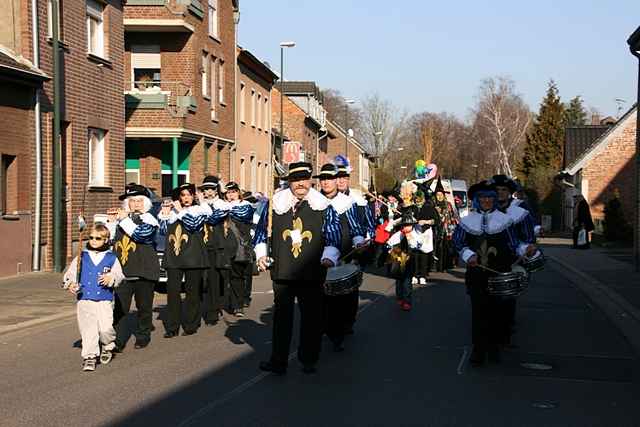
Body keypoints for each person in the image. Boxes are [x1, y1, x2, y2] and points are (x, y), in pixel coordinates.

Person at [255, 162, 342, 375]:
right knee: (281, 318)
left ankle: (309, 359)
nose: (300, 183)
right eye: (295, 180)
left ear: (310, 180)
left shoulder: (323, 205)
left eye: (304, 179)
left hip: (312, 271)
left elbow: (334, 234)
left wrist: (330, 256)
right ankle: (278, 361)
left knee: (312, 318)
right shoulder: (275, 204)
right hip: (283, 270)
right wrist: (261, 253)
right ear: (289, 182)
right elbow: (260, 232)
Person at [452, 181, 534, 366]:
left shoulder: (505, 221)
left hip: (499, 273)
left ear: (494, 199)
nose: (486, 200)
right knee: (478, 312)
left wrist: (525, 249)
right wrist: (468, 254)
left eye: (490, 197)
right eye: (483, 197)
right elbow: (457, 242)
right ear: (477, 200)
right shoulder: (467, 221)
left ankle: (494, 348)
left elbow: (514, 243)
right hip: (477, 274)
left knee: (497, 313)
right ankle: (478, 350)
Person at [316, 163, 367, 352]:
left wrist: (359, 241)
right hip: (318, 256)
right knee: (320, 297)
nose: (326, 182)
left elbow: (355, 228)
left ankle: (339, 331)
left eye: (330, 178)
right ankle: (322, 327)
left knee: (341, 298)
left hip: (344, 256)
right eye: (323, 179)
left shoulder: (347, 203)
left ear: (336, 181)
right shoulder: (314, 202)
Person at [62, 224, 124, 371]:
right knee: (88, 329)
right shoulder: (82, 256)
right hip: (85, 298)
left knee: (105, 329)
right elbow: (70, 274)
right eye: (91, 238)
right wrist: (70, 283)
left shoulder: (111, 258)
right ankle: (90, 357)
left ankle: (108, 346)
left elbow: (119, 274)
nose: (94, 241)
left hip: (104, 299)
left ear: (106, 240)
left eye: (98, 238)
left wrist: (111, 278)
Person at [108, 183, 161, 351]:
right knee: (119, 309)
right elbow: (108, 242)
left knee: (144, 307)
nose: (136, 204)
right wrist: (110, 224)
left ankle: (143, 335)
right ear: (127, 203)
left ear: (145, 202)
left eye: (139, 201)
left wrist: (123, 220)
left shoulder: (150, 219)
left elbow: (141, 235)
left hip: (144, 271)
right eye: (132, 201)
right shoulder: (121, 220)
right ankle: (117, 340)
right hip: (122, 271)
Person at [158, 183, 212, 338]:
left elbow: (193, 225)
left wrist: (180, 211)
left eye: (189, 194)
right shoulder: (173, 211)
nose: (186, 198)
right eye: (183, 195)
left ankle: (191, 324)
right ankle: (172, 327)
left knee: (192, 292)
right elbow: (163, 232)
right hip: (174, 258)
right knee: (172, 293)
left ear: (194, 196)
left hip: (193, 257)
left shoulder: (200, 210)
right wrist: (165, 214)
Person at [492, 174, 537, 346]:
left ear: (510, 192)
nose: (500, 193)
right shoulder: (486, 210)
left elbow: (528, 237)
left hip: (512, 261)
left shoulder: (520, 213)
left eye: (504, 190)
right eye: (497, 190)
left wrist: (527, 248)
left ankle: (505, 333)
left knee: (507, 299)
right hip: (489, 261)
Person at [336, 162, 375, 335]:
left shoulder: (359, 201)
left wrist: (365, 240)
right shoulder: (325, 199)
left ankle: (348, 321)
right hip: (331, 252)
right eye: (338, 177)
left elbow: (370, 225)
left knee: (350, 290)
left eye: (344, 178)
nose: (341, 181)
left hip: (354, 252)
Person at [219, 182, 255, 317]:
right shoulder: (223, 206)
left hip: (241, 246)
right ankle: (233, 303)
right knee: (227, 277)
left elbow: (243, 215)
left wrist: (225, 208)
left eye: (233, 192)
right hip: (224, 247)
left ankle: (239, 304)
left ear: (238, 193)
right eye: (228, 192)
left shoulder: (245, 206)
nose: (231, 195)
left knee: (238, 277)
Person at [386, 210, 430, 311]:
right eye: (405, 225)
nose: (407, 227)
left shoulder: (415, 234)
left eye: (409, 225)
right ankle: (400, 297)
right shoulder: (398, 235)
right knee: (398, 281)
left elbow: (419, 244)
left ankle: (407, 300)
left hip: (410, 261)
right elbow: (389, 244)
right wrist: (392, 252)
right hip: (398, 261)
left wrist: (410, 239)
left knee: (407, 282)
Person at [199, 176, 228, 326]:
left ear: (216, 190)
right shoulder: (200, 205)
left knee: (215, 281)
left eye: (211, 189)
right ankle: (207, 308)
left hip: (217, 248)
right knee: (204, 281)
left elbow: (214, 218)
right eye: (205, 190)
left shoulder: (222, 204)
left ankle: (213, 312)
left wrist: (203, 206)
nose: (208, 192)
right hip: (202, 247)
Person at [433, 177, 458, 272]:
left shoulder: (448, 205)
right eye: (437, 195)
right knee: (436, 248)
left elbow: (452, 216)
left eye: (441, 194)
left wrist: (451, 226)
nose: (439, 196)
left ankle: (445, 265)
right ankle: (435, 266)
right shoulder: (433, 204)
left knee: (446, 248)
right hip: (435, 230)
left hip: (446, 230)